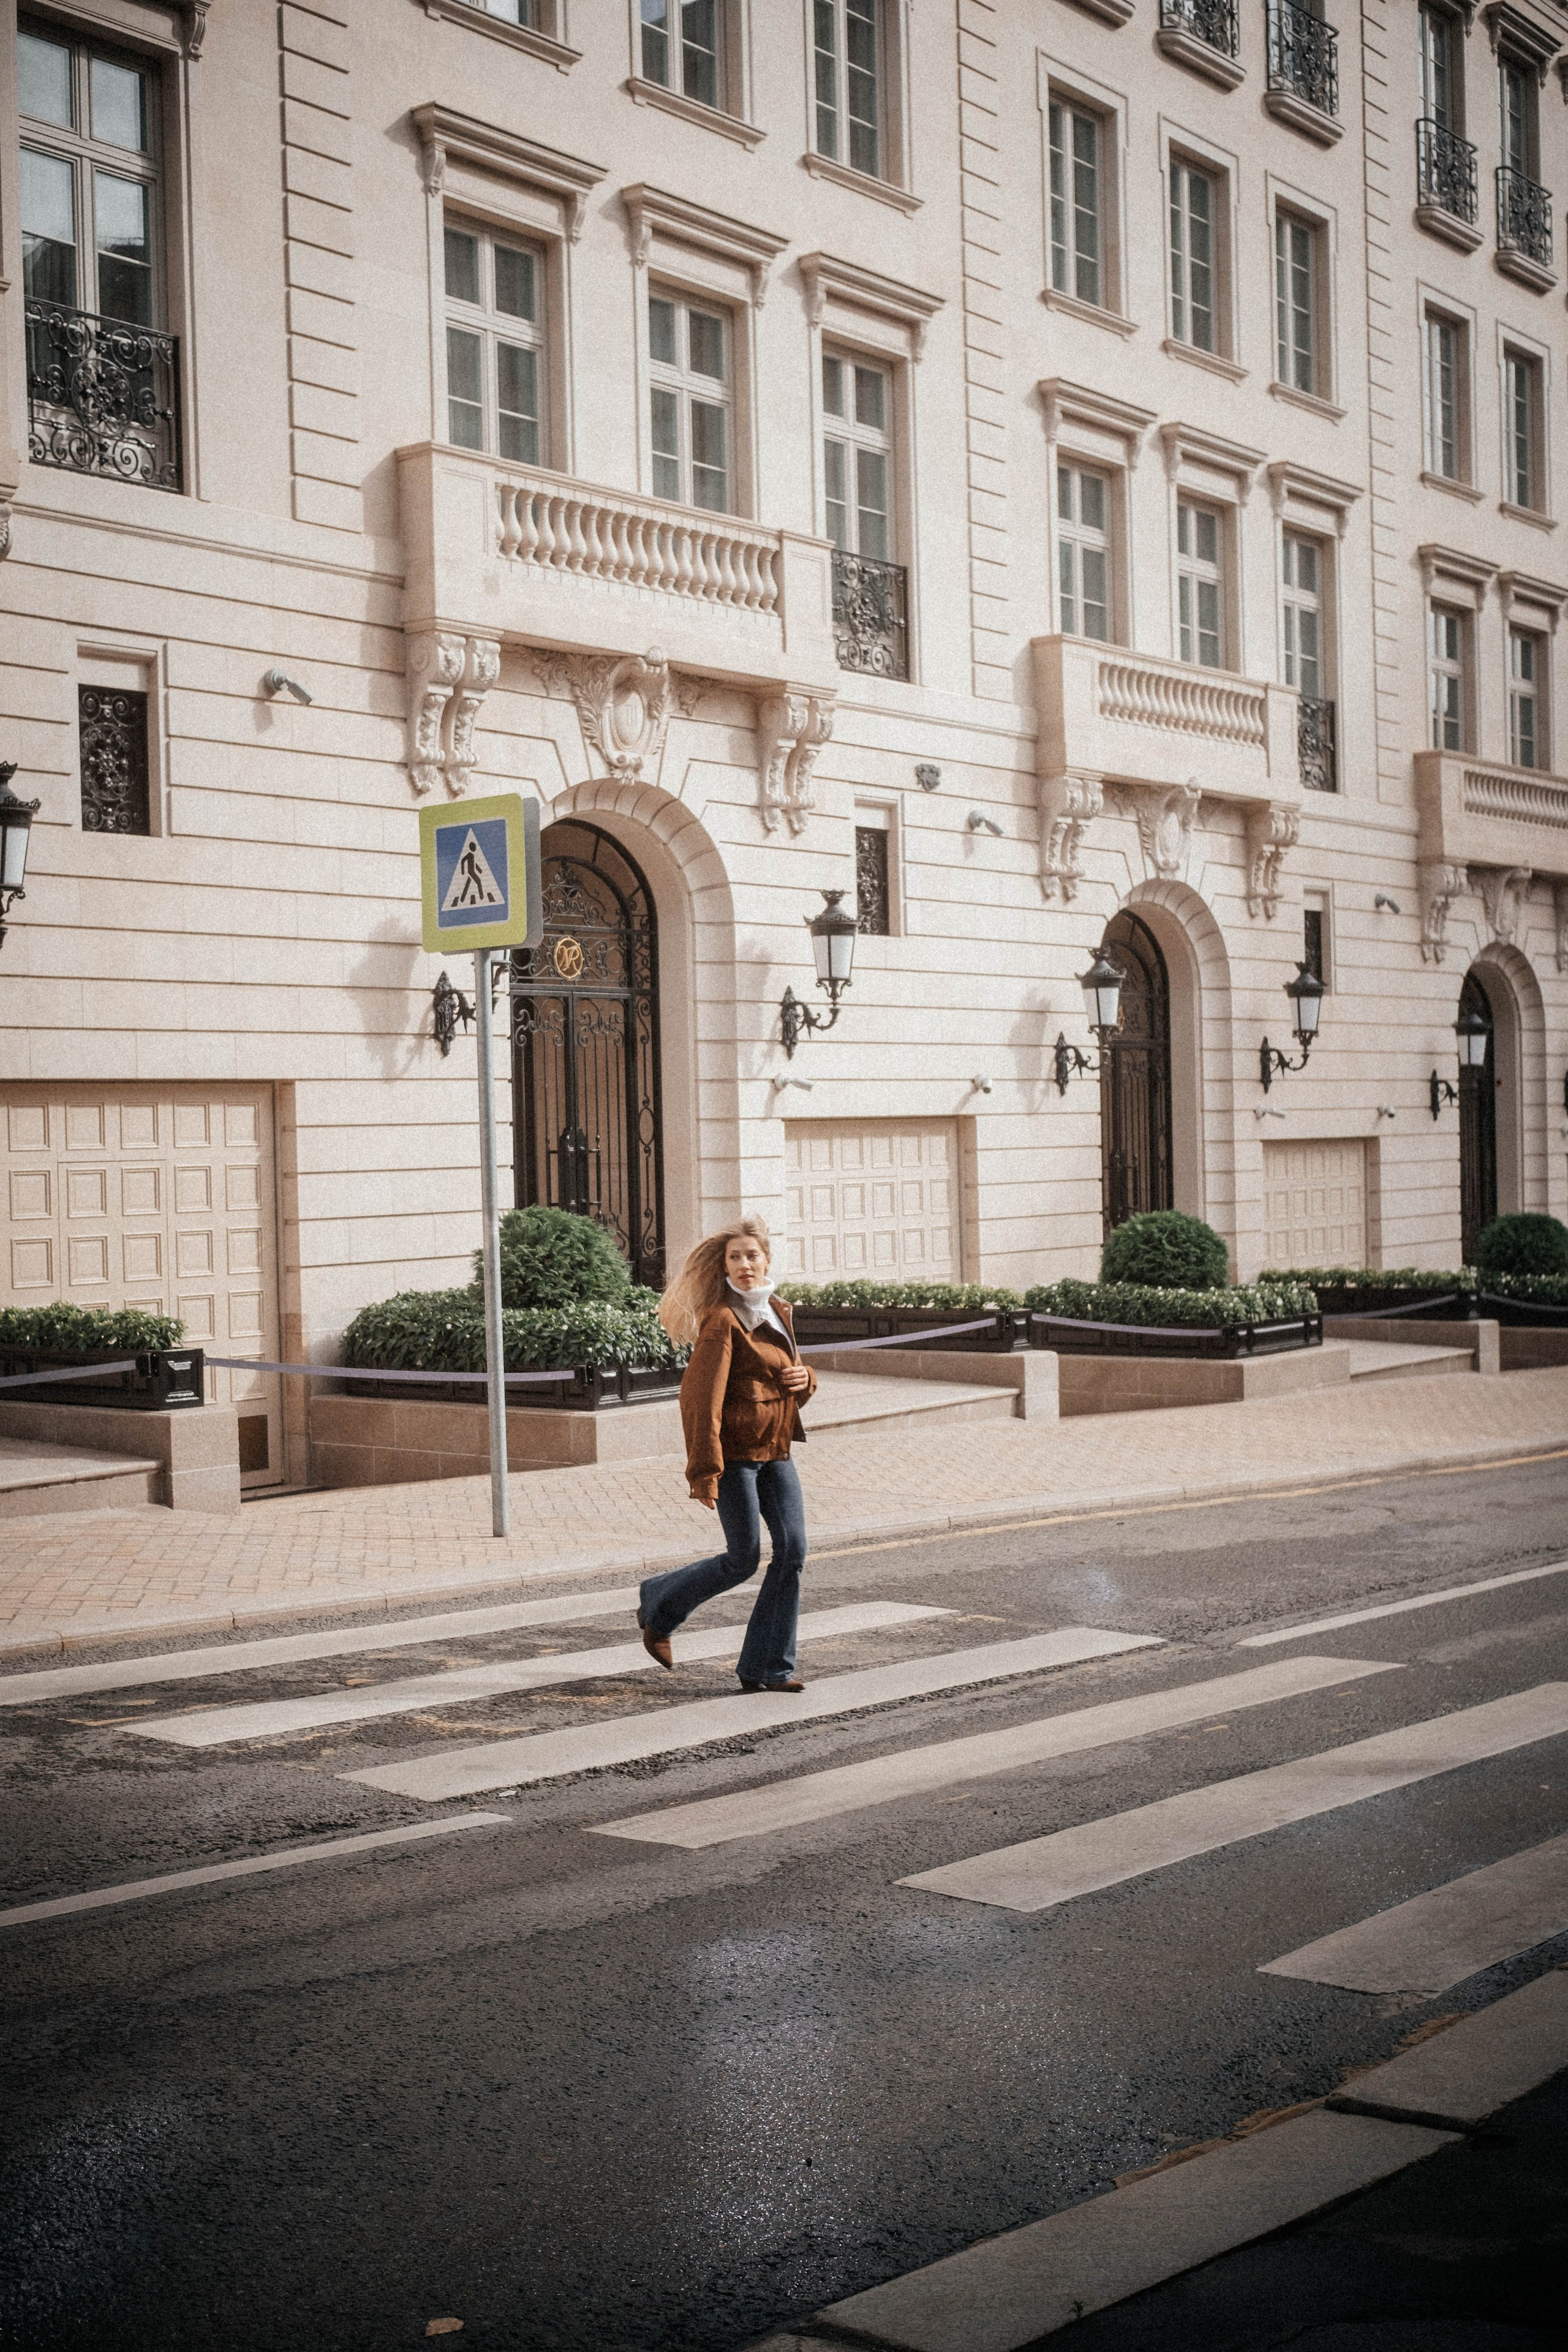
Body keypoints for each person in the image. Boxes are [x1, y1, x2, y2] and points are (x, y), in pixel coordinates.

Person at [636, 1216, 816, 1691]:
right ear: (725, 1267)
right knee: (743, 1558)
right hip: (736, 1456)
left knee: (793, 1551)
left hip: (776, 1452)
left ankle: (767, 1668)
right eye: (734, 1258)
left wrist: (807, 1379)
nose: (743, 1265)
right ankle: (660, 1605)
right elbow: (700, 1399)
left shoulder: (777, 1310)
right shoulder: (723, 1319)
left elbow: (783, 1377)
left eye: (751, 1256)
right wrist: (704, 1471)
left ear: (767, 1260)